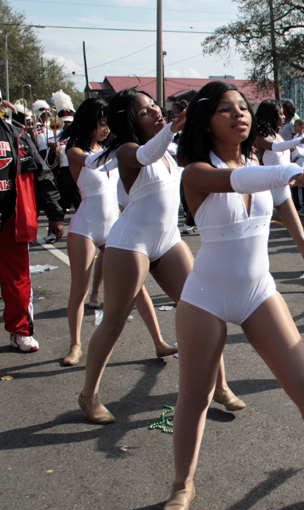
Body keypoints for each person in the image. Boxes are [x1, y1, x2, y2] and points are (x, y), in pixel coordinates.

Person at [163, 82, 304, 510]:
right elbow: (236, 181)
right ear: (206, 120)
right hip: (205, 295)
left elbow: (271, 193)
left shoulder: (259, 161)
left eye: (243, 108)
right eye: (226, 109)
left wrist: (299, 177)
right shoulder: (194, 172)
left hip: (258, 292)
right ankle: (181, 483)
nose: (238, 115)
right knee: (194, 396)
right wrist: (287, 173)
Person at [77, 89, 243, 424]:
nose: (155, 112)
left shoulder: (168, 149)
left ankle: (221, 386)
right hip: (130, 244)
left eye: (155, 106)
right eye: (144, 111)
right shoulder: (127, 151)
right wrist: (172, 127)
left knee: (205, 307)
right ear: (129, 120)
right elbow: (143, 157)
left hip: (168, 241)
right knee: (114, 321)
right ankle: (88, 394)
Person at [61, 98, 177, 366]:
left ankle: (159, 341)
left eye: (108, 125)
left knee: (139, 290)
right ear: (89, 123)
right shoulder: (75, 151)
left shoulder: (111, 148)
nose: (105, 129)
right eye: (101, 124)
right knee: (79, 289)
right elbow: (92, 163)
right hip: (85, 228)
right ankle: (75, 345)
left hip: (115, 226)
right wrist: (120, 150)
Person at [0, 100, 63, 353]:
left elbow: (42, 174)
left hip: (10, 219)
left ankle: (20, 331)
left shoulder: (17, 136)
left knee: (17, 278)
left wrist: (55, 214)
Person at [253, 99, 304, 290]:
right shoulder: (260, 138)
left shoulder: (279, 136)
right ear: (271, 115)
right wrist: (298, 140)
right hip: (265, 193)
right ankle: (255, 281)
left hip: (283, 193)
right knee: (258, 239)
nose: (283, 117)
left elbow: (296, 152)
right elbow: (277, 148)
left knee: (300, 236)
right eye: (280, 113)